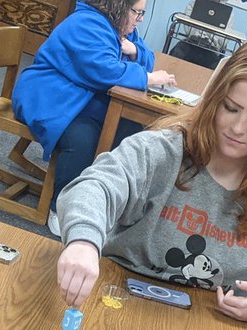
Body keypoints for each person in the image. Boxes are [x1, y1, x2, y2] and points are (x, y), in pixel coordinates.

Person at [55, 38, 247, 327]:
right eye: (230, 108)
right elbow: (93, 186)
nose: (238, 128)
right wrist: (84, 241)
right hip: (118, 307)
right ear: (214, 100)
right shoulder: (160, 152)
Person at [11, 0, 177, 235]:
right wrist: (149, 78)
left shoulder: (121, 26)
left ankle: (105, 202)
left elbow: (148, 58)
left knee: (130, 130)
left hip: (80, 99)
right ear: (119, 7)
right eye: (137, 13)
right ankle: (61, 208)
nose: (139, 20)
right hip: (49, 97)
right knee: (83, 139)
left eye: (142, 14)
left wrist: (135, 50)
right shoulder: (86, 23)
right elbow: (104, 71)